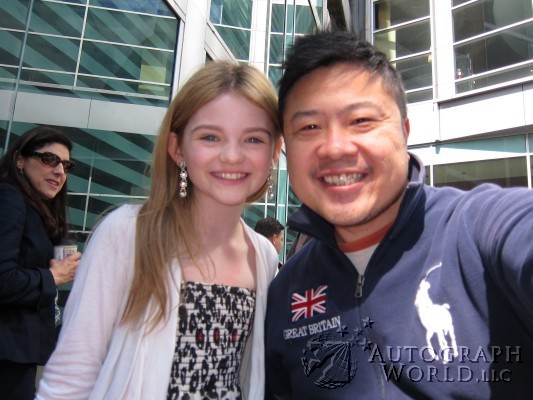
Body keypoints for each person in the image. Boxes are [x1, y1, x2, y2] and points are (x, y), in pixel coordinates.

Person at [265, 30, 533, 399]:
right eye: (309, 127)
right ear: (285, 149)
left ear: (405, 132)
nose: (335, 148)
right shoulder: (286, 290)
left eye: (361, 120)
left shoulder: (477, 229)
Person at [37, 60, 282, 399]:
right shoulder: (127, 233)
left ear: (275, 151)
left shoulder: (263, 255)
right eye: (210, 136)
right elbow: (69, 377)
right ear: (177, 147)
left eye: (253, 139)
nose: (231, 155)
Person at [0, 126, 80, 400]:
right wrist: (52, 277)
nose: (59, 171)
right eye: (49, 159)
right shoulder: (9, 197)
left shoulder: (34, 209)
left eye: (66, 165)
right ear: (20, 160)